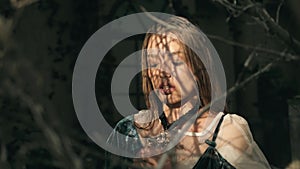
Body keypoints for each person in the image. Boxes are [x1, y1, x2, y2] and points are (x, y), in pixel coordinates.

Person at [106, 16, 271, 169]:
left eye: (174, 61)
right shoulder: (128, 131)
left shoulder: (226, 132)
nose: (163, 72)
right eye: (154, 63)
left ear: (198, 67)